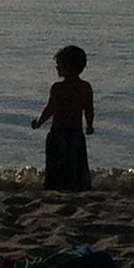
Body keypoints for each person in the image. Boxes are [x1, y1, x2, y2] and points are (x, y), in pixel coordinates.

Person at [31, 44, 95, 191]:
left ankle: (55, 186)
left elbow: (50, 109)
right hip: (75, 132)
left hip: (59, 132)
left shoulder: (58, 88)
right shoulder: (85, 87)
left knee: (56, 163)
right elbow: (89, 109)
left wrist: (39, 122)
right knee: (74, 164)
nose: (57, 68)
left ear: (68, 67)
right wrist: (89, 124)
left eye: (59, 65)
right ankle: (77, 186)